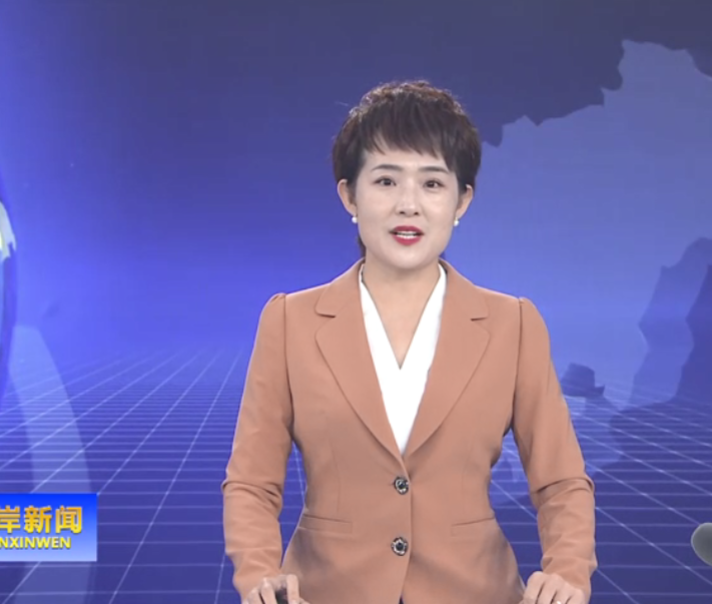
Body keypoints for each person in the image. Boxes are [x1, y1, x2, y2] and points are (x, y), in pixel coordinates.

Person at [222, 80, 597, 604]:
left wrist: (568, 573)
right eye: (385, 180)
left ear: (462, 200)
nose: (408, 205)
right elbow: (252, 483)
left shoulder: (513, 324)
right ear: (349, 195)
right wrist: (261, 575)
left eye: (432, 184)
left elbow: (561, 483)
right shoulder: (290, 321)